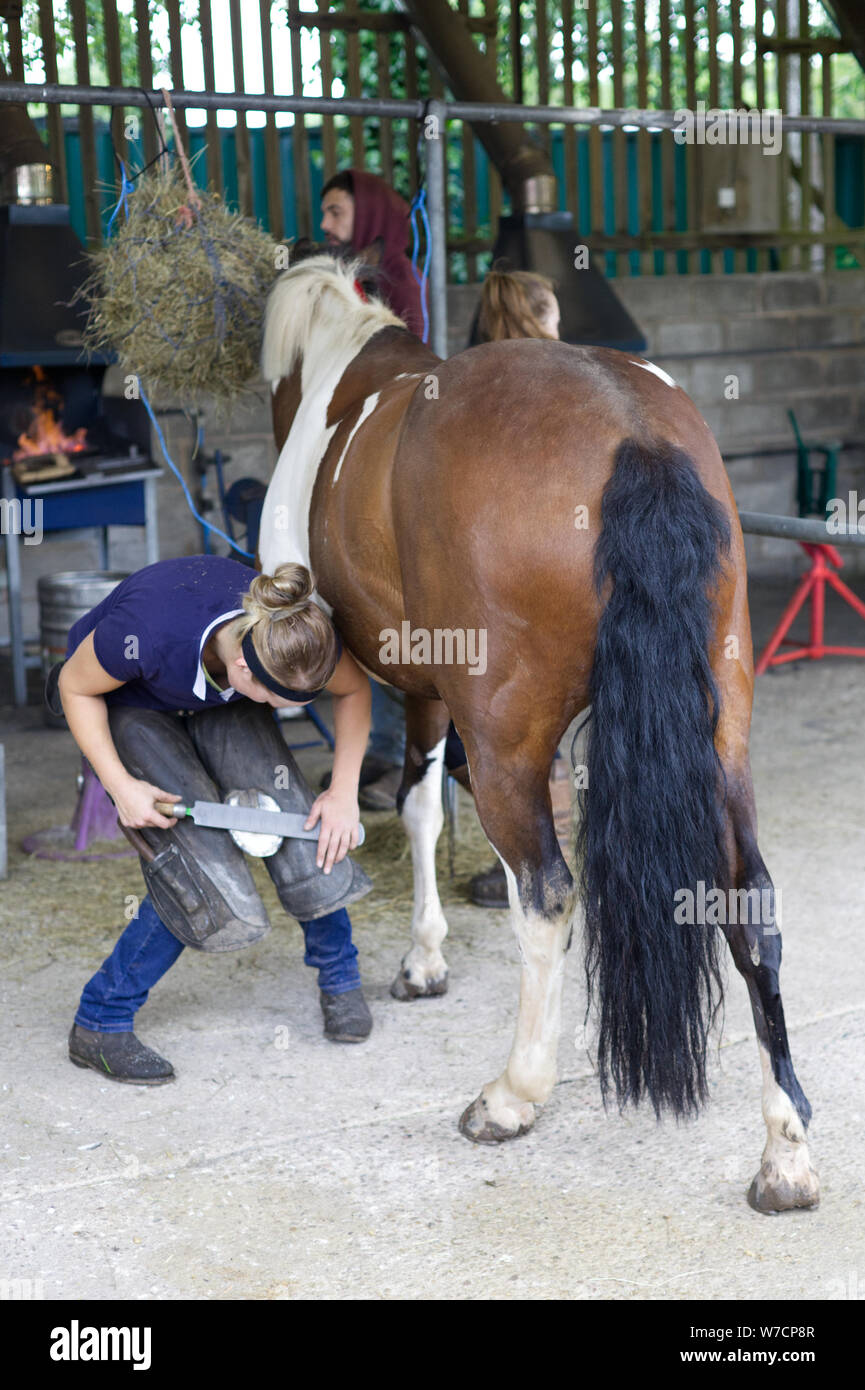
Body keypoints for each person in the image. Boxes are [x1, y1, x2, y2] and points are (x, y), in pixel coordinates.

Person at [55, 555, 374, 1085]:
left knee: (298, 822)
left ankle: (341, 978)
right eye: (283, 702)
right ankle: (101, 1021)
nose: (287, 710)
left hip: (220, 695)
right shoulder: (146, 631)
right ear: (247, 672)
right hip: (126, 703)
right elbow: (75, 686)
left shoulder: (292, 635)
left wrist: (343, 792)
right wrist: (120, 785)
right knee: (198, 867)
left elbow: (354, 689)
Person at [320, 167, 426, 808]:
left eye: (336, 213)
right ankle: (378, 753)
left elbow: (404, 364)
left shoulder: (397, 280)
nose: (326, 225)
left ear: (369, 216)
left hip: (388, 446)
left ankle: (399, 756)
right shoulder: (343, 277)